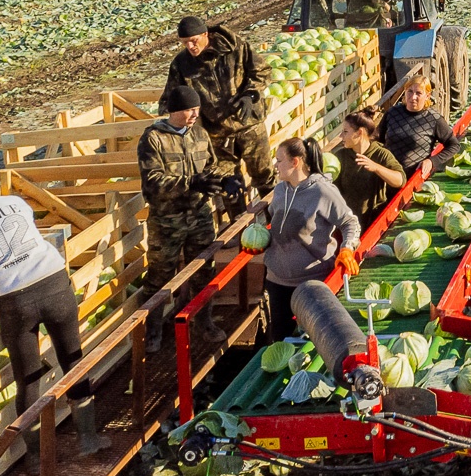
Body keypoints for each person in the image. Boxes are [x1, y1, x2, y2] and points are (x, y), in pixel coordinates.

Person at [0, 153, 111, 467]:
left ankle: (37, 458)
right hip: (54, 284)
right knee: (72, 359)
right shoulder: (16, 204)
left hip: (14, 303)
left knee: (27, 379)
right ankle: (88, 438)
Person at [138, 85, 241, 352]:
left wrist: (223, 180)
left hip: (199, 216)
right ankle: (153, 331)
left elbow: (210, 166)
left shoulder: (199, 134)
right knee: (160, 276)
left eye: (196, 109)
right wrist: (191, 182)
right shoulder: (154, 139)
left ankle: (204, 323)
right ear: (174, 111)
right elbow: (153, 182)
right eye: (188, 110)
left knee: (203, 271)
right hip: (166, 220)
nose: (194, 114)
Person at [159, 15, 274, 219]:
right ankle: (241, 232)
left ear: (206, 34)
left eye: (194, 40)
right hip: (216, 134)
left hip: (249, 125)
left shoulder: (235, 47)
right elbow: (171, 98)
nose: (191, 46)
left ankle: (276, 221)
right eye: (185, 43)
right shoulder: (182, 64)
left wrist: (251, 94)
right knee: (229, 186)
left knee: (264, 177)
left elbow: (262, 71)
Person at [265, 136, 363, 341]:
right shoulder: (280, 189)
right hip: (276, 280)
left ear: (295, 162)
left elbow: (349, 222)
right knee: (280, 340)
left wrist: (347, 249)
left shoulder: (322, 191)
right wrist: (260, 242)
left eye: (279, 160)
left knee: (313, 340)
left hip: (310, 283)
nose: (276, 165)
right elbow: (277, 224)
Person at [378, 75, 462, 179]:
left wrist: (432, 161)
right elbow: (378, 139)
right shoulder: (392, 113)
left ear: (427, 96)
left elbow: (454, 145)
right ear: (405, 91)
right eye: (410, 91)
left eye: (418, 93)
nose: (413, 97)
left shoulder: (434, 119)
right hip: (389, 175)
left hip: (414, 176)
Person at [332, 109, 406, 227]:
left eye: (345, 131)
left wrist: (376, 168)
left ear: (359, 133)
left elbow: (400, 181)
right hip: (347, 222)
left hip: (374, 222)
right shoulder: (341, 156)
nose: (341, 136)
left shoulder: (381, 154)